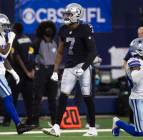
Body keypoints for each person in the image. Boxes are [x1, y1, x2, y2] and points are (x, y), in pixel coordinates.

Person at [42, 3, 97, 137]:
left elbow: (93, 52)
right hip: (70, 66)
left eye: (69, 14)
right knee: (63, 96)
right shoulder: (63, 29)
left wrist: (83, 68)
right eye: (66, 14)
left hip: (84, 65)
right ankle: (56, 127)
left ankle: (92, 128)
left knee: (87, 96)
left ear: (77, 15)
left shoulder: (85, 28)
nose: (66, 16)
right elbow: (60, 52)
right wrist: (55, 70)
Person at [0, 13, 34, 135]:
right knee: (8, 97)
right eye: (4, 25)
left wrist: (13, 72)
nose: (6, 27)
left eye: (7, 25)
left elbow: (3, 59)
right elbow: (3, 54)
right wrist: (11, 39)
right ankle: (19, 125)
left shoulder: (0, 35)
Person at [3, 22, 35, 126]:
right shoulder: (29, 39)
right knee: (29, 99)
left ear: (15, 30)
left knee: (12, 98)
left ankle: (7, 121)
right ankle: (31, 119)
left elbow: (15, 57)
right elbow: (32, 55)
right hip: (29, 73)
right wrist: (32, 71)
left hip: (18, 73)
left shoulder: (14, 40)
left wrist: (25, 71)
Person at [32, 21, 58, 126]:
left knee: (53, 98)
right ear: (42, 30)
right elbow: (30, 55)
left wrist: (56, 71)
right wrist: (33, 67)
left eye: (50, 28)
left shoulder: (55, 42)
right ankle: (34, 121)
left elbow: (57, 57)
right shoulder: (37, 42)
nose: (48, 30)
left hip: (52, 70)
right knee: (38, 96)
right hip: (41, 70)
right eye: (46, 28)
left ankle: (54, 122)